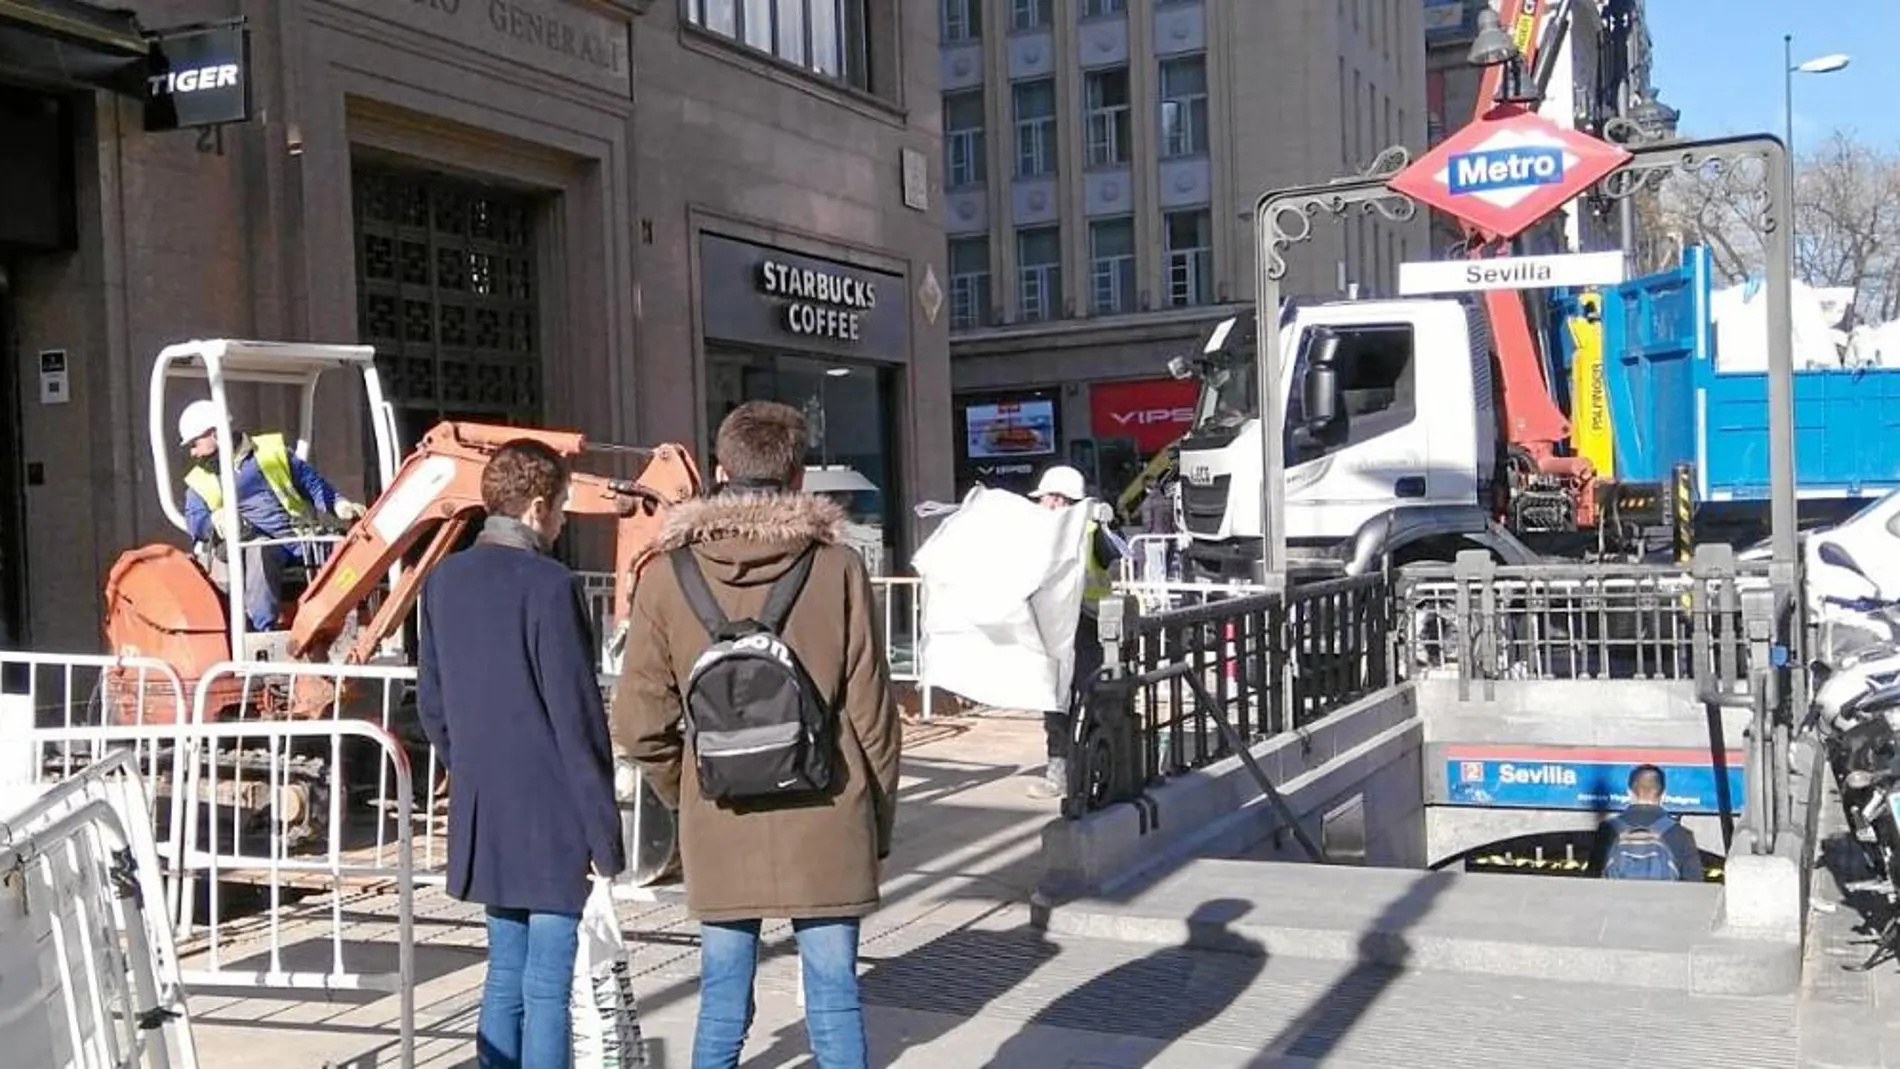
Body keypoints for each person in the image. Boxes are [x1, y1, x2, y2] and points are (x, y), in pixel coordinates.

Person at [613, 400, 902, 1069]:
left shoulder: (666, 574)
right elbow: (872, 711)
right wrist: (877, 817)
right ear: (800, 478)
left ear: (718, 471)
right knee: (833, 1000)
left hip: (720, 811)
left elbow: (638, 722)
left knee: (721, 998)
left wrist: (686, 789)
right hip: (829, 811)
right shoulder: (839, 568)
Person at [415, 439, 626, 1068]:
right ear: (537, 507)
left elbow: (432, 703)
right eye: (561, 509)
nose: (562, 524)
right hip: (552, 809)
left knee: (504, 972)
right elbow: (576, 717)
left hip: (484, 806)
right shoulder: (550, 586)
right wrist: (604, 835)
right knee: (546, 984)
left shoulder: (442, 581)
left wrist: (471, 763)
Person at [175, 399, 364, 631]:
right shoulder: (199, 481)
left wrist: (340, 505)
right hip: (252, 552)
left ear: (214, 434)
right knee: (260, 549)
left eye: (195, 444)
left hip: (300, 541)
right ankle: (262, 631)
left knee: (348, 548)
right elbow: (196, 521)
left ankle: (348, 623)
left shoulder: (272, 453)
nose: (193, 453)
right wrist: (214, 521)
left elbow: (312, 484)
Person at [1026, 464, 1125, 801]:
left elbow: (1114, 550)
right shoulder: (1037, 532)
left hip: (1088, 624)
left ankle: (1097, 770)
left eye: (1050, 498)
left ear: (1063, 499)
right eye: (1043, 499)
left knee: (1091, 698)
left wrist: (1099, 522)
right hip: (1054, 623)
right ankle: (1061, 773)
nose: (1044, 505)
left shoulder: (1089, 529)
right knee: (1055, 701)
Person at [1592, 764, 1704, 881]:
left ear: (1629, 792)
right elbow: (1695, 885)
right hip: (1663, 898)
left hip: (1618, 898)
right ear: (1664, 794)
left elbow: (1591, 880)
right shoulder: (1681, 835)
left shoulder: (1607, 830)